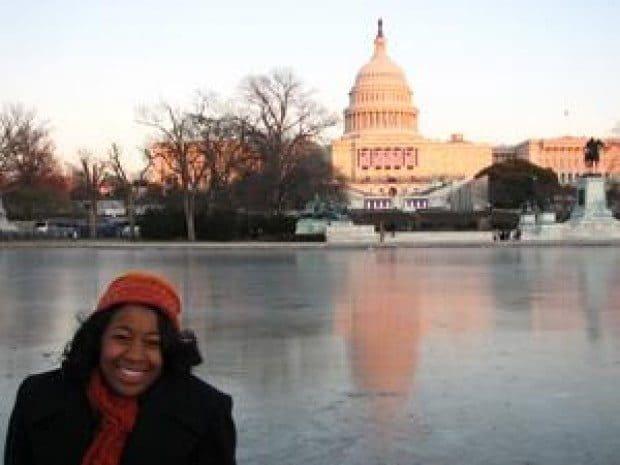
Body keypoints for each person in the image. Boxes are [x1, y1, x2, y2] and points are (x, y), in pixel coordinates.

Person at [4, 271, 236, 465]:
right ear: (98, 339)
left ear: (168, 350)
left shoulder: (206, 411)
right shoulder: (38, 397)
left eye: (152, 343)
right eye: (122, 338)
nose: (135, 355)